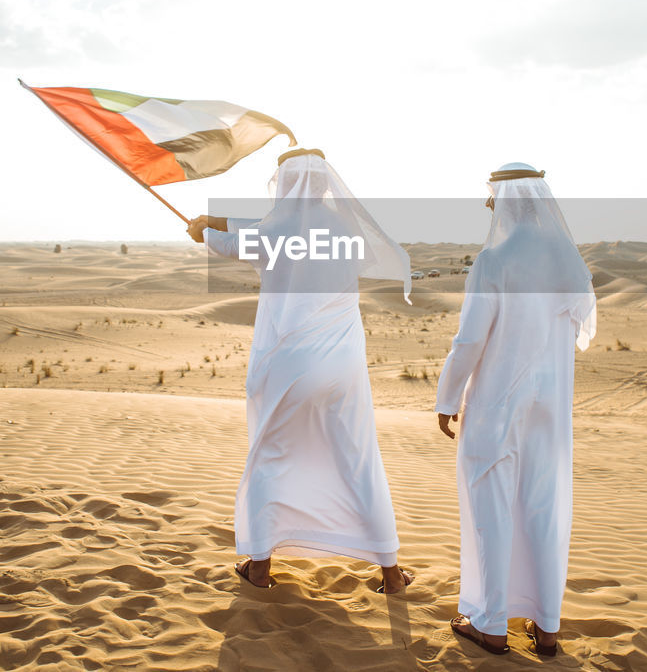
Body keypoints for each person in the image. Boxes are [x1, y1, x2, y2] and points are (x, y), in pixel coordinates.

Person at [187, 148, 415, 594]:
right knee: (358, 457)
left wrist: (201, 228)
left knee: (271, 454)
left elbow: (238, 240)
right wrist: (219, 222)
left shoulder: (273, 230)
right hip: (341, 366)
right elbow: (256, 229)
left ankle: (258, 566)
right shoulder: (347, 227)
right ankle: (390, 572)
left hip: (286, 365)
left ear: (285, 183)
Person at [435, 163, 597, 657]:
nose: (488, 206)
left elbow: (469, 341)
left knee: (491, 509)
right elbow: (578, 328)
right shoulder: (568, 262)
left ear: (507, 201)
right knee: (543, 507)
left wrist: (445, 398)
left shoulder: (494, 260)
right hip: (550, 409)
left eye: (491, 197)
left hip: (496, 405)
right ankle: (547, 628)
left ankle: (490, 624)